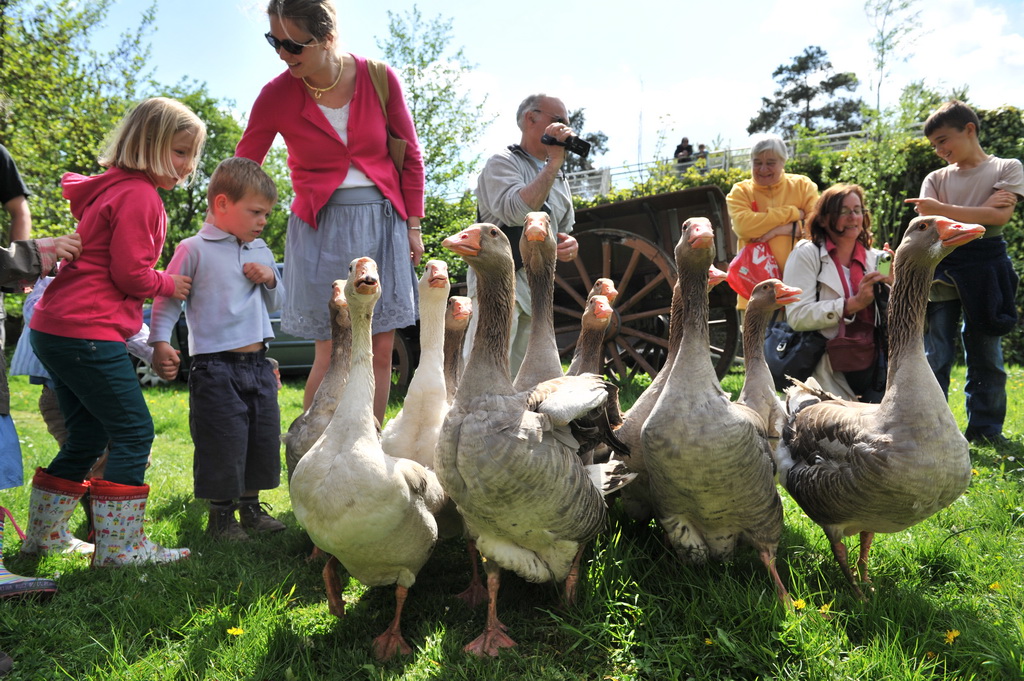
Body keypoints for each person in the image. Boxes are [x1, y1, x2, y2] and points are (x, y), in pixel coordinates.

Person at [24, 96, 206, 567]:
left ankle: (44, 537)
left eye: (192, 155)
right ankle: (121, 548)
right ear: (148, 145)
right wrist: (168, 283)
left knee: (86, 437)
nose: (188, 166)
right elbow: (130, 274)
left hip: (56, 327)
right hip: (86, 331)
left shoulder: (112, 188)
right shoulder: (140, 195)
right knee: (133, 430)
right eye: (180, 151)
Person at [236, 0, 424, 424]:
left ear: (327, 38)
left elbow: (411, 156)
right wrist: (231, 229)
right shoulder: (275, 94)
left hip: (382, 222)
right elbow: (243, 167)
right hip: (319, 227)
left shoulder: (379, 78)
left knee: (379, 351)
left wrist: (413, 226)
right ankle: (311, 453)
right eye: (273, 42)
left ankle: (369, 449)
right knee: (331, 351)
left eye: (293, 45)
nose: (282, 54)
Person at [149, 157, 286, 542]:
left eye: (267, 214)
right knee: (223, 440)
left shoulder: (260, 248)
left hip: (259, 364)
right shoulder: (193, 249)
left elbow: (278, 303)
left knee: (261, 437)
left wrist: (270, 278)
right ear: (223, 204)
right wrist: (160, 342)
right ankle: (221, 518)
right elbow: (168, 298)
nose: (263, 221)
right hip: (215, 366)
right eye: (255, 212)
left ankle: (251, 509)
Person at [905, 100, 1024, 445]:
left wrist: (942, 209)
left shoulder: (1007, 167)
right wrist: (979, 211)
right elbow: (928, 223)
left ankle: (986, 431)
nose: (939, 150)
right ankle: (930, 429)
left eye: (943, 140)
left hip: (988, 270)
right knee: (936, 354)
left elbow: (999, 218)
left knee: (987, 353)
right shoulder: (934, 177)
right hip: (941, 268)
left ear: (969, 129)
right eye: (934, 145)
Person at [0, 232, 82, 681]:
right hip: (59, 389)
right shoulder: (49, 285)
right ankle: (47, 535)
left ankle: (54, 535)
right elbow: (37, 312)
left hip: (80, 384)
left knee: (110, 450)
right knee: (89, 452)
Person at [469, 93, 581, 374]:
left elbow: (563, 228)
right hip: (497, 284)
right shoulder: (502, 162)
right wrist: (554, 163)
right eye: (559, 121)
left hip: (537, 290)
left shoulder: (559, 175)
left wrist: (569, 244)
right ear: (531, 118)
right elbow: (517, 212)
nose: (566, 129)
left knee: (525, 381)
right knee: (485, 373)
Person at [783, 184, 891, 402]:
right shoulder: (806, 254)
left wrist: (895, 285)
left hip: (873, 364)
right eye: (843, 211)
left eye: (858, 210)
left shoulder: (878, 259)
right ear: (823, 219)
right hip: (825, 366)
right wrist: (851, 305)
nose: (853, 217)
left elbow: (893, 321)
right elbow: (797, 316)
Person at [726, 133, 819, 313]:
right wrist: (793, 213)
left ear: (783, 162)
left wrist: (780, 230)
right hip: (756, 294)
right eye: (757, 162)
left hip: (801, 291)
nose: (763, 169)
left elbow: (817, 227)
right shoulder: (740, 191)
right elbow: (744, 227)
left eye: (770, 163)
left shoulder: (803, 186)